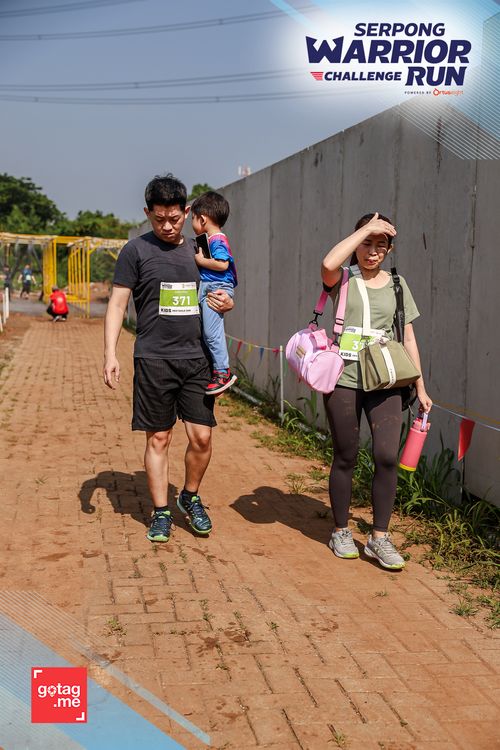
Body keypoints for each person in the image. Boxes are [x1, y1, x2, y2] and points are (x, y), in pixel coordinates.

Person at [103, 174, 234, 543]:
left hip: (197, 360)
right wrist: (110, 353)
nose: (166, 225)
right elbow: (118, 303)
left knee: (202, 437)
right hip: (154, 358)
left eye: (174, 218)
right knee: (159, 437)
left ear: (186, 212)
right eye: (158, 218)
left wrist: (228, 301)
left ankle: (189, 497)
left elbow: (222, 289)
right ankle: (161, 511)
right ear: (147, 213)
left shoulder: (201, 250)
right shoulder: (135, 251)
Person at [321, 212, 432, 570]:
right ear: (356, 242)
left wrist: (420, 385)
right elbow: (328, 264)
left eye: (380, 245)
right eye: (366, 243)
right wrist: (367, 228)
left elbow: (408, 337)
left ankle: (379, 538)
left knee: (386, 456)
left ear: (389, 250)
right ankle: (341, 530)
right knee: (346, 455)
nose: (372, 252)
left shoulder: (398, 284)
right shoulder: (343, 279)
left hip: (385, 380)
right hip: (343, 378)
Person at [191, 191, 238, 395]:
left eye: (193, 218)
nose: (192, 223)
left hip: (215, 288)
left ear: (202, 219)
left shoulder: (217, 239)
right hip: (210, 286)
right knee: (208, 332)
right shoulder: (211, 238)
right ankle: (217, 370)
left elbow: (222, 264)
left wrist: (201, 261)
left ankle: (222, 373)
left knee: (212, 333)